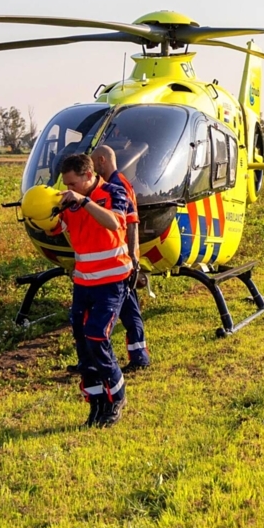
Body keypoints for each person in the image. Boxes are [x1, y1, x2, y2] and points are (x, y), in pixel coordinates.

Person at [51, 153, 132, 427]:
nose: (69, 189)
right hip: (83, 282)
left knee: (97, 336)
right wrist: (43, 212)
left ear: (88, 175)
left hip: (111, 281)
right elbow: (56, 228)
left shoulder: (113, 191)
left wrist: (84, 202)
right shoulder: (71, 200)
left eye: (72, 183)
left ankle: (116, 395)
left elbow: (115, 223)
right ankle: (96, 401)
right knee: (83, 343)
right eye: (66, 184)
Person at [91, 144, 150, 372]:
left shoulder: (118, 186)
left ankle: (139, 357)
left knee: (128, 309)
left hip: (121, 259)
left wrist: (133, 257)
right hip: (117, 258)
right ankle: (138, 356)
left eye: (94, 162)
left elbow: (132, 223)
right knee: (127, 307)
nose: (92, 167)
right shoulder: (111, 184)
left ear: (103, 160)